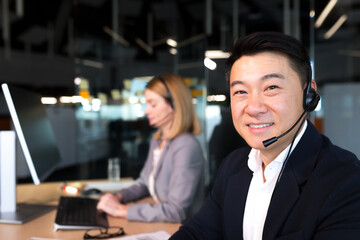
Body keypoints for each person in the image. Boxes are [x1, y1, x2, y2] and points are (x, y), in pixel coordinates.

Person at [170, 32, 360, 239]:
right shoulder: (233, 166)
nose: (253, 108)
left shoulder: (346, 181)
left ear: (309, 95)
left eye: (271, 87)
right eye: (241, 92)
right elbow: (197, 233)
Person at [97, 73, 205, 223]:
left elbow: (175, 211)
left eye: (153, 104)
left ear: (174, 104)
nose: (146, 110)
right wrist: (118, 197)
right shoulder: (158, 140)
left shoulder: (186, 146)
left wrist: (121, 210)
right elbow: (144, 184)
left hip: (183, 230)